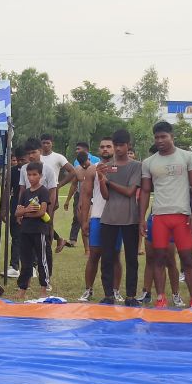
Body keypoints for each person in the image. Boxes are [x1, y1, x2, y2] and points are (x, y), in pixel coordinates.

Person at [139, 121, 192, 308]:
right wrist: (141, 218)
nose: (160, 140)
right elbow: (144, 191)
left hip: (182, 215)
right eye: (157, 137)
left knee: (187, 258)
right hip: (159, 216)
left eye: (163, 136)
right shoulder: (149, 162)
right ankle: (161, 297)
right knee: (159, 257)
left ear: (172, 136)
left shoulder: (187, 157)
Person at [96, 130, 142, 307]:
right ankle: (108, 295)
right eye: (116, 145)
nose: (118, 149)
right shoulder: (107, 166)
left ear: (128, 145)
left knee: (131, 258)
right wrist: (101, 178)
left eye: (122, 145)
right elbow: (106, 195)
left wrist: (108, 181)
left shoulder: (136, 166)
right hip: (109, 218)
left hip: (130, 218)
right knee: (106, 258)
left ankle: (130, 296)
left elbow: (130, 191)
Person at [78, 137, 122, 303]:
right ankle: (88, 290)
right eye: (102, 146)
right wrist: (84, 221)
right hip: (97, 216)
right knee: (94, 255)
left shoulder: (122, 167)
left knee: (116, 256)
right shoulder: (92, 170)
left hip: (117, 218)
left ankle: (115, 290)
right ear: (98, 150)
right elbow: (86, 195)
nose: (105, 149)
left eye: (108, 146)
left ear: (115, 148)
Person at [20, 138, 58, 284]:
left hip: (43, 212)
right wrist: (20, 210)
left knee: (44, 249)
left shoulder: (47, 169)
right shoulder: (24, 169)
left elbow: (53, 191)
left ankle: (46, 281)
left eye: (34, 152)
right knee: (27, 251)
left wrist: (50, 213)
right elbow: (22, 189)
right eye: (28, 153)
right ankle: (25, 282)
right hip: (27, 213)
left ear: (40, 152)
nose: (31, 156)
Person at [13, 162, 51, 300]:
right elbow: (17, 212)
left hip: (39, 230)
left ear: (40, 175)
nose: (31, 177)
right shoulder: (25, 193)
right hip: (25, 231)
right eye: (29, 175)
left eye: (34, 174)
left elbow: (42, 212)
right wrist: (24, 211)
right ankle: (22, 288)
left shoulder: (43, 191)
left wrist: (26, 213)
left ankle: (44, 289)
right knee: (26, 261)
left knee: (42, 260)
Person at [39, 133, 75, 250]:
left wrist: (59, 185)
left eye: (48, 143)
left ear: (52, 143)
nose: (45, 145)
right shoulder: (37, 156)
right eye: (43, 143)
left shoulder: (58, 157)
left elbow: (72, 171)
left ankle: (48, 246)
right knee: (37, 218)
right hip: (36, 191)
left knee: (48, 219)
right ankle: (58, 239)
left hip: (51, 192)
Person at [6, 147, 27, 278]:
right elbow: (7, 190)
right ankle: (14, 266)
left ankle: (33, 266)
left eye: (22, 160)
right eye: (18, 160)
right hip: (15, 205)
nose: (20, 163)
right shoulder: (12, 171)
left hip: (31, 204)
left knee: (31, 236)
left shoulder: (34, 171)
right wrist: (4, 209)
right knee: (16, 236)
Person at [63, 151, 90, 252]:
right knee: (81, 221)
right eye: (81, 163)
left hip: (93, 197)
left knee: (91, 222)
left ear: (89, 159)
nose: (84, 165)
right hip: (80, 197)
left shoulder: (94, 169)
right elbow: (74, 185)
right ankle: (87, 249)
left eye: (85, 163)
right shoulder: (78, 170)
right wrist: (68, 200)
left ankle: (94, 246)